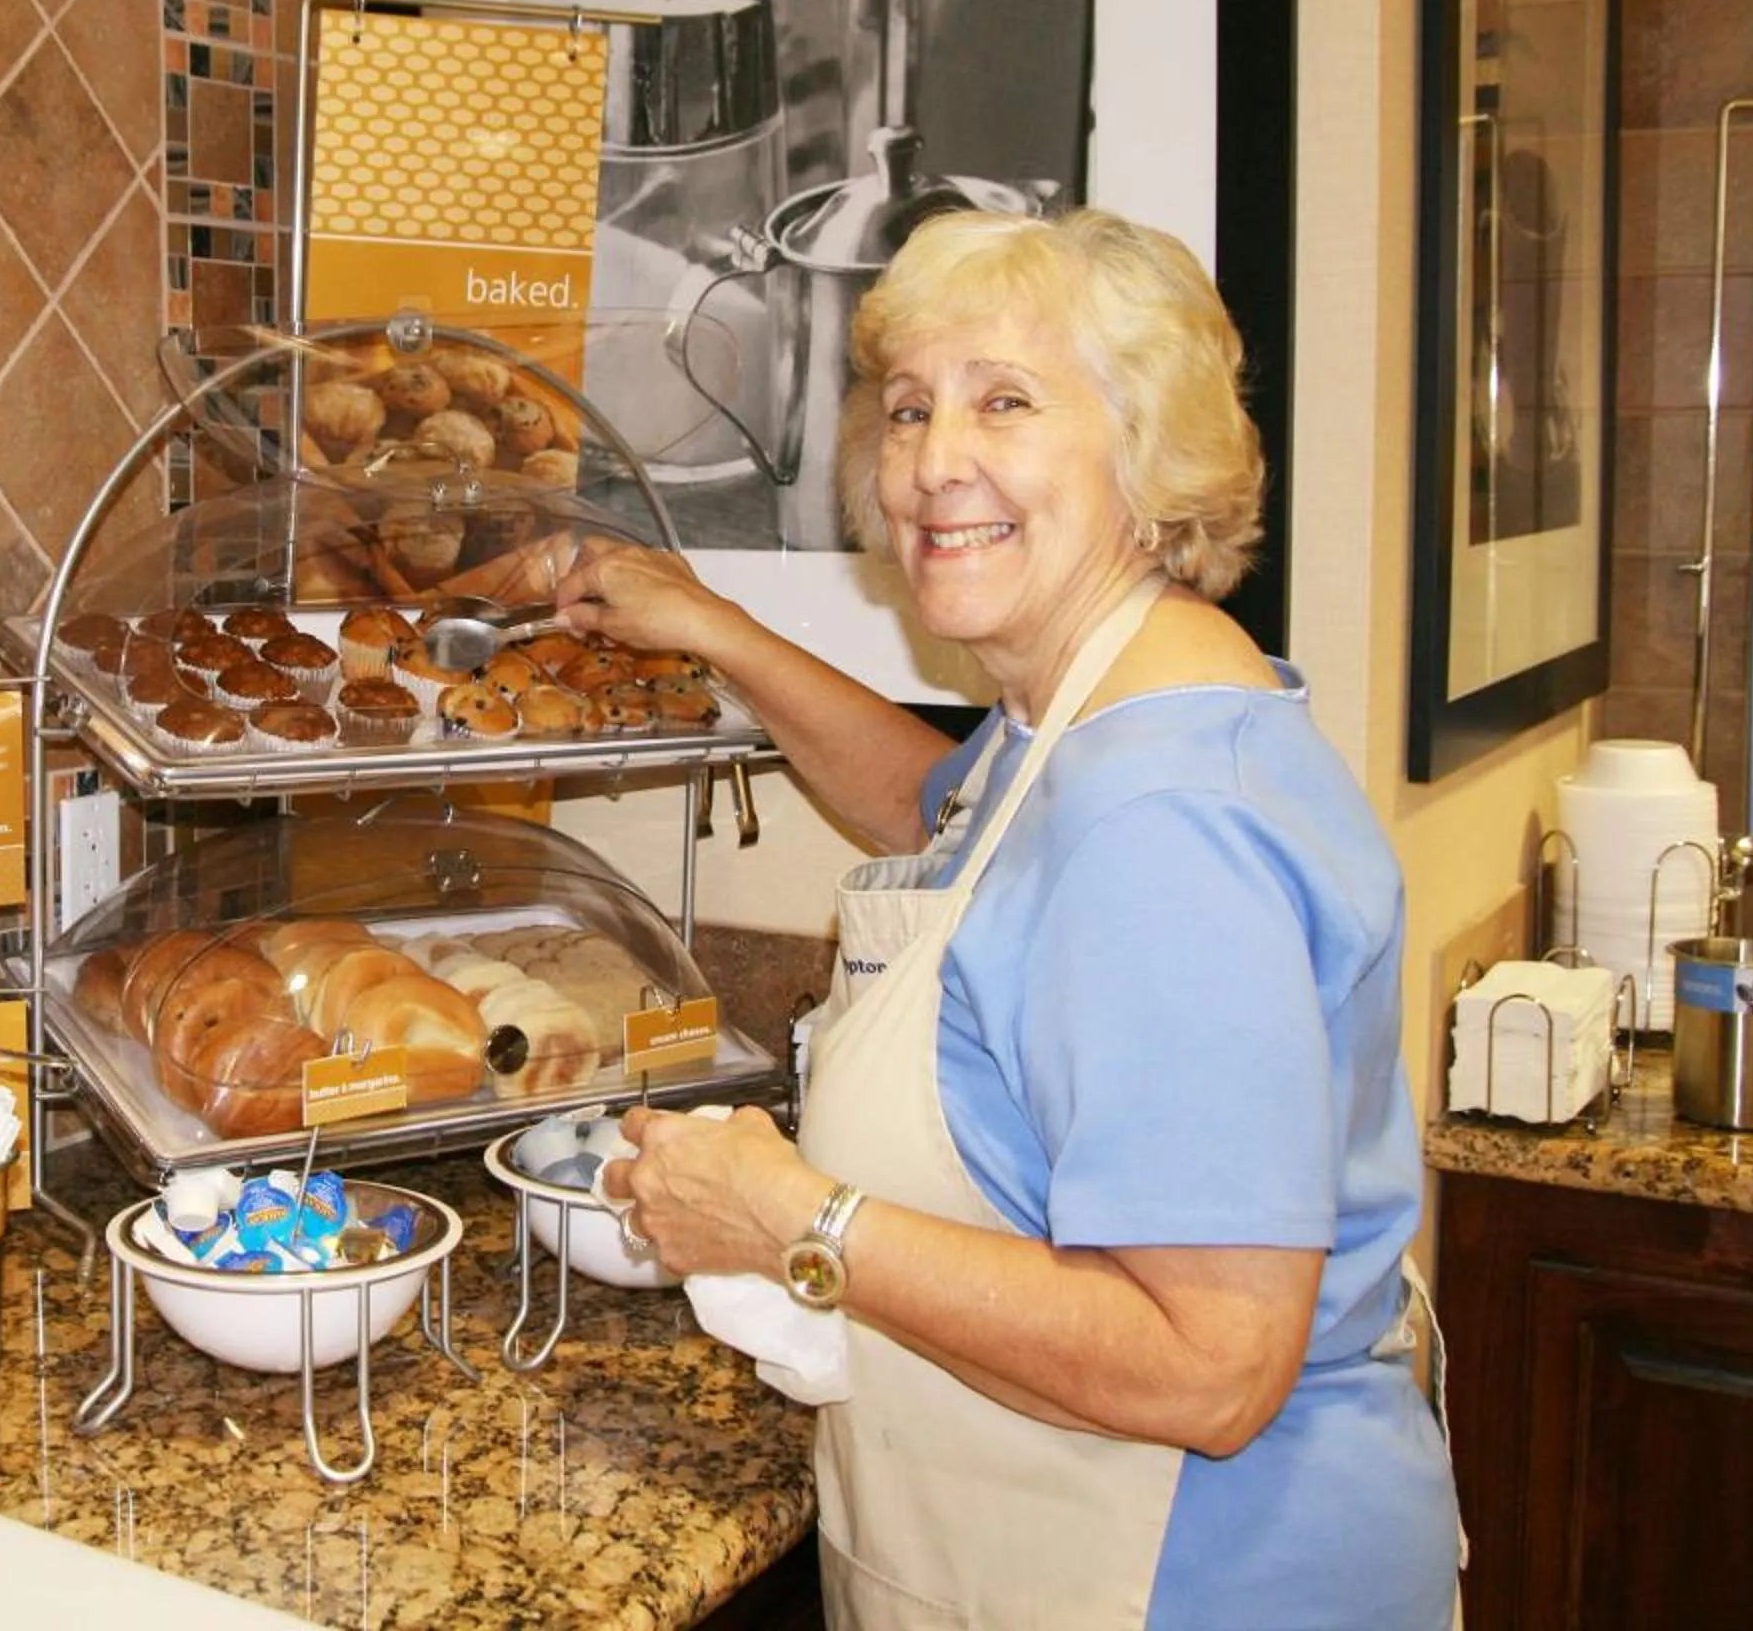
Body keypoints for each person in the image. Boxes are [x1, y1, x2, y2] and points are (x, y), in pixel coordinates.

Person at [567, 208, 1460, 1629]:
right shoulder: (1097, 712)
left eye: (1007, 401)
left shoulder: (1166, 825)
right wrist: (715, 627)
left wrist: (793, 1217)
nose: (932, 461)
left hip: (1188, 1576)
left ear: (1146, 449)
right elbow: (948, 819)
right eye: (909, 407)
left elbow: (1211, 1368)